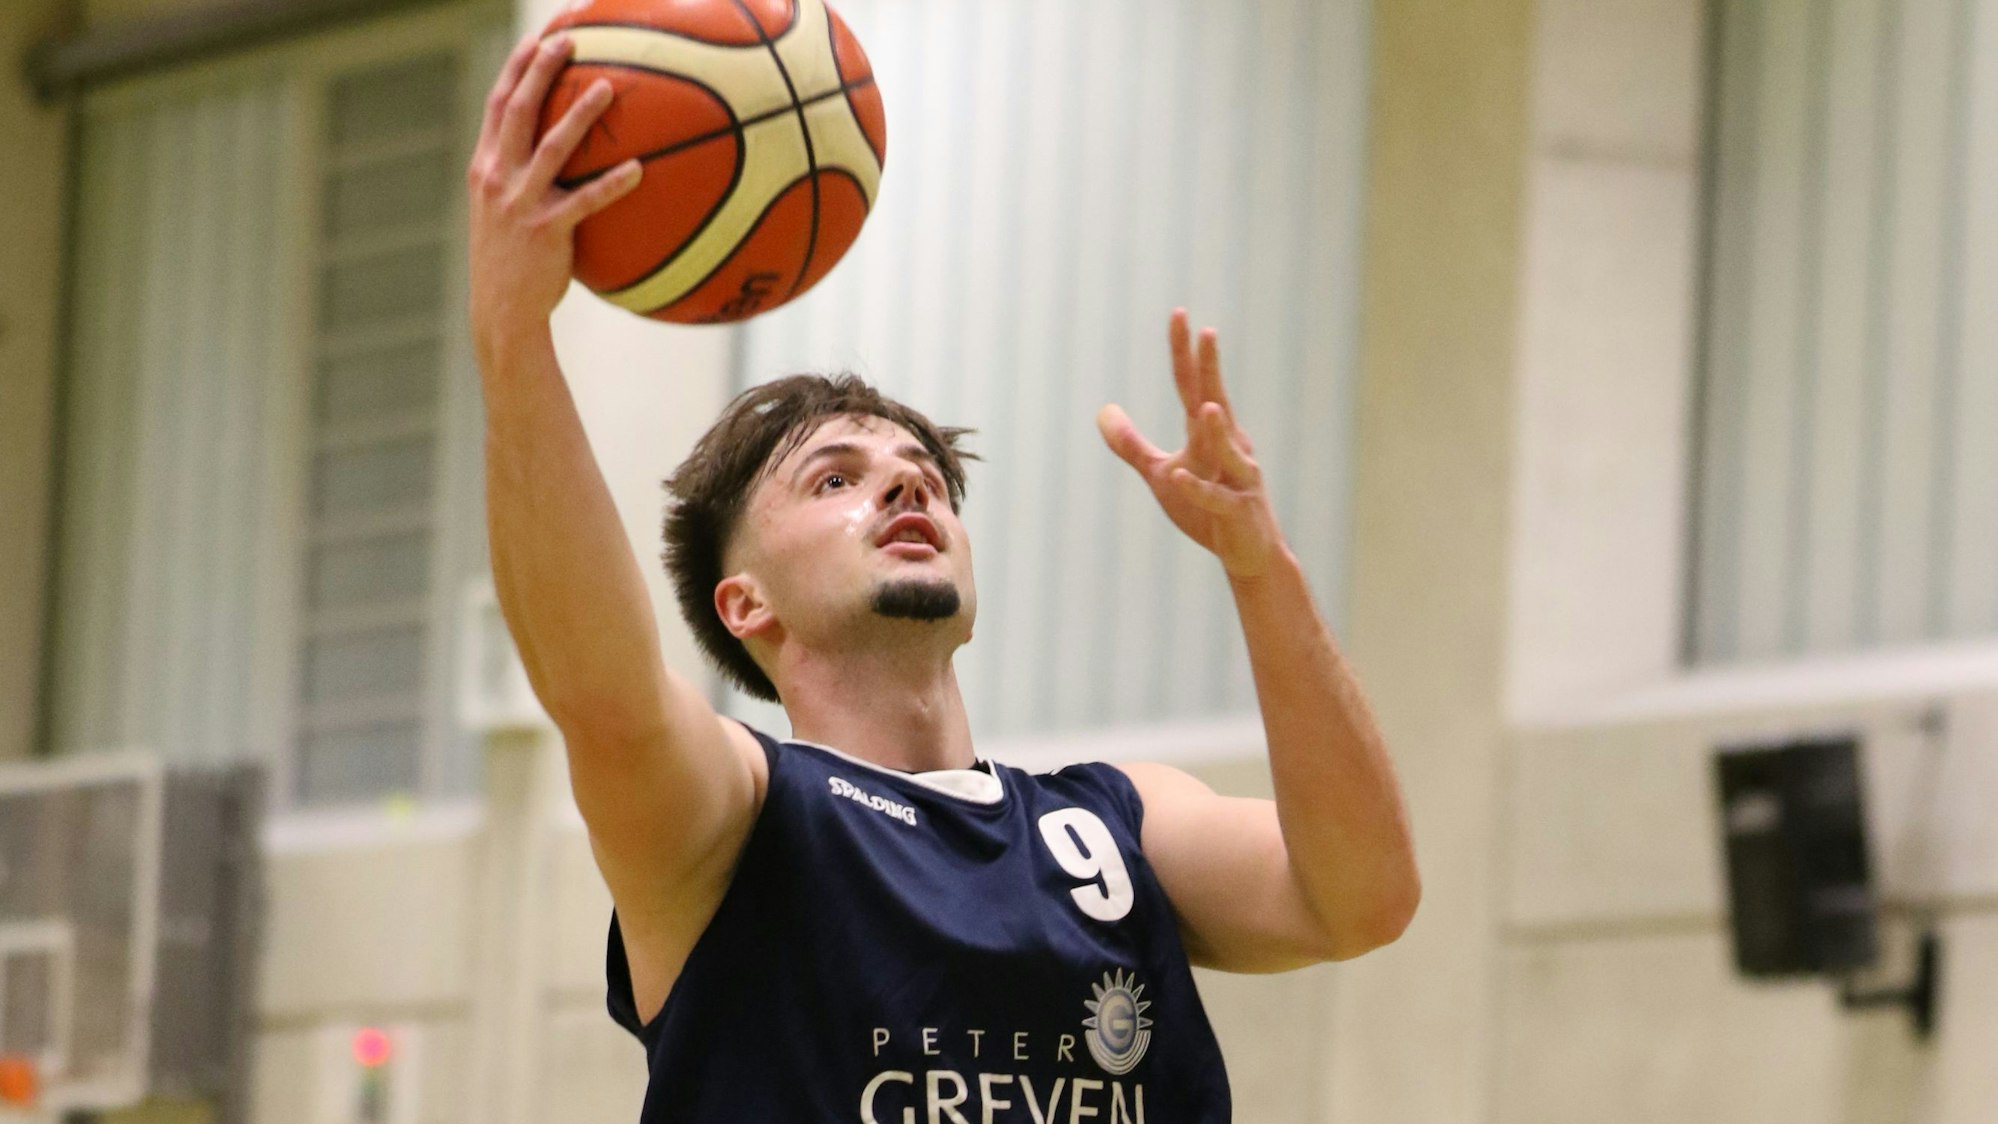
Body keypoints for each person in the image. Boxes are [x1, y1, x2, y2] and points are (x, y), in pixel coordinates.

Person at [468, 30, 1420, 1124]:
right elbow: (604, 696)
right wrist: (514, 337)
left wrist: (1264, 569)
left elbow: (1365, 897)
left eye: (922, 476)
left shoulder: (1115, 822)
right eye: (835, 479)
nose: (904, 491)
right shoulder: (737, 819)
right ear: (746, 603)